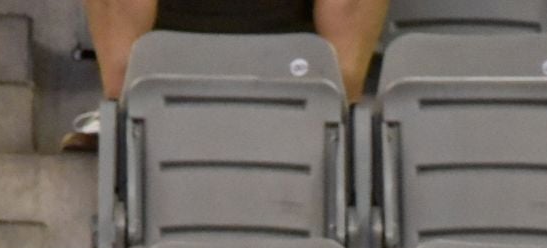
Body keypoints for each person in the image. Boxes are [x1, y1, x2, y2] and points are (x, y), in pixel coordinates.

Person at [64, 0, 388, 148]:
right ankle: (123, 120)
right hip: (161, 72)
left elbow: (344, 51)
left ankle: (337, 135)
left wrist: (334, 110)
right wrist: (122, 102)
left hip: (295, 74)